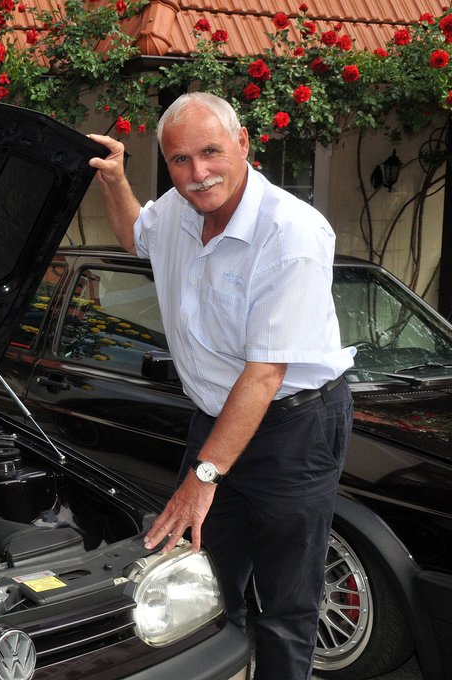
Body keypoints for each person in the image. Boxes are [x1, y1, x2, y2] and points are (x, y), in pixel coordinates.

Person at [87, 92, 354, 680]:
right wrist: (114, 180)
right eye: (180, 160)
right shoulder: (177, 210)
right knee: (199, 582)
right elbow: (136, 236)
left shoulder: (290, 231)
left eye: (210, 152)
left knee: (286, 603)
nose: (198, 173)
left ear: (243, 143)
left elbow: (265, 373)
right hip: (216, 419)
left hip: (294, 427)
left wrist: (202, 477)